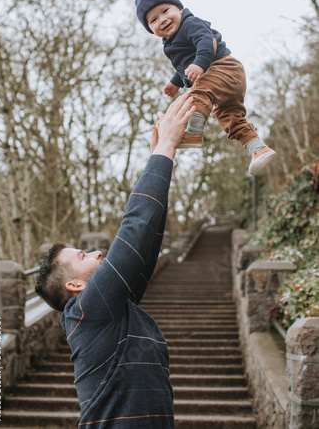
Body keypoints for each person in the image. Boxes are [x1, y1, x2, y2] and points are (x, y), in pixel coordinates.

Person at [35, 93, 197, 429]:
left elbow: (145, 241)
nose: (97, 253)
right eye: (83, 255)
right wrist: (163, 147)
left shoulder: (114, 311)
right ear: (75, 285)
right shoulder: (87, 310)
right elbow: (134, 229)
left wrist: (164, 156)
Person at [135, 0, 277, 176]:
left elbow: (205, 41)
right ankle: (259, 149)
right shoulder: (171, 42)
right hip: (224, 81)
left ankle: (193, 135)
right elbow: (183, 66)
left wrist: (199, 65)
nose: (163, 19)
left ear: (180, 9)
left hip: (224, 69)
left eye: (165, 10)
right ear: (151, 30)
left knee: (197, 94)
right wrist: (174, 83)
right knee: (229, 118)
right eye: (154, 20)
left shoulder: (189, 23)